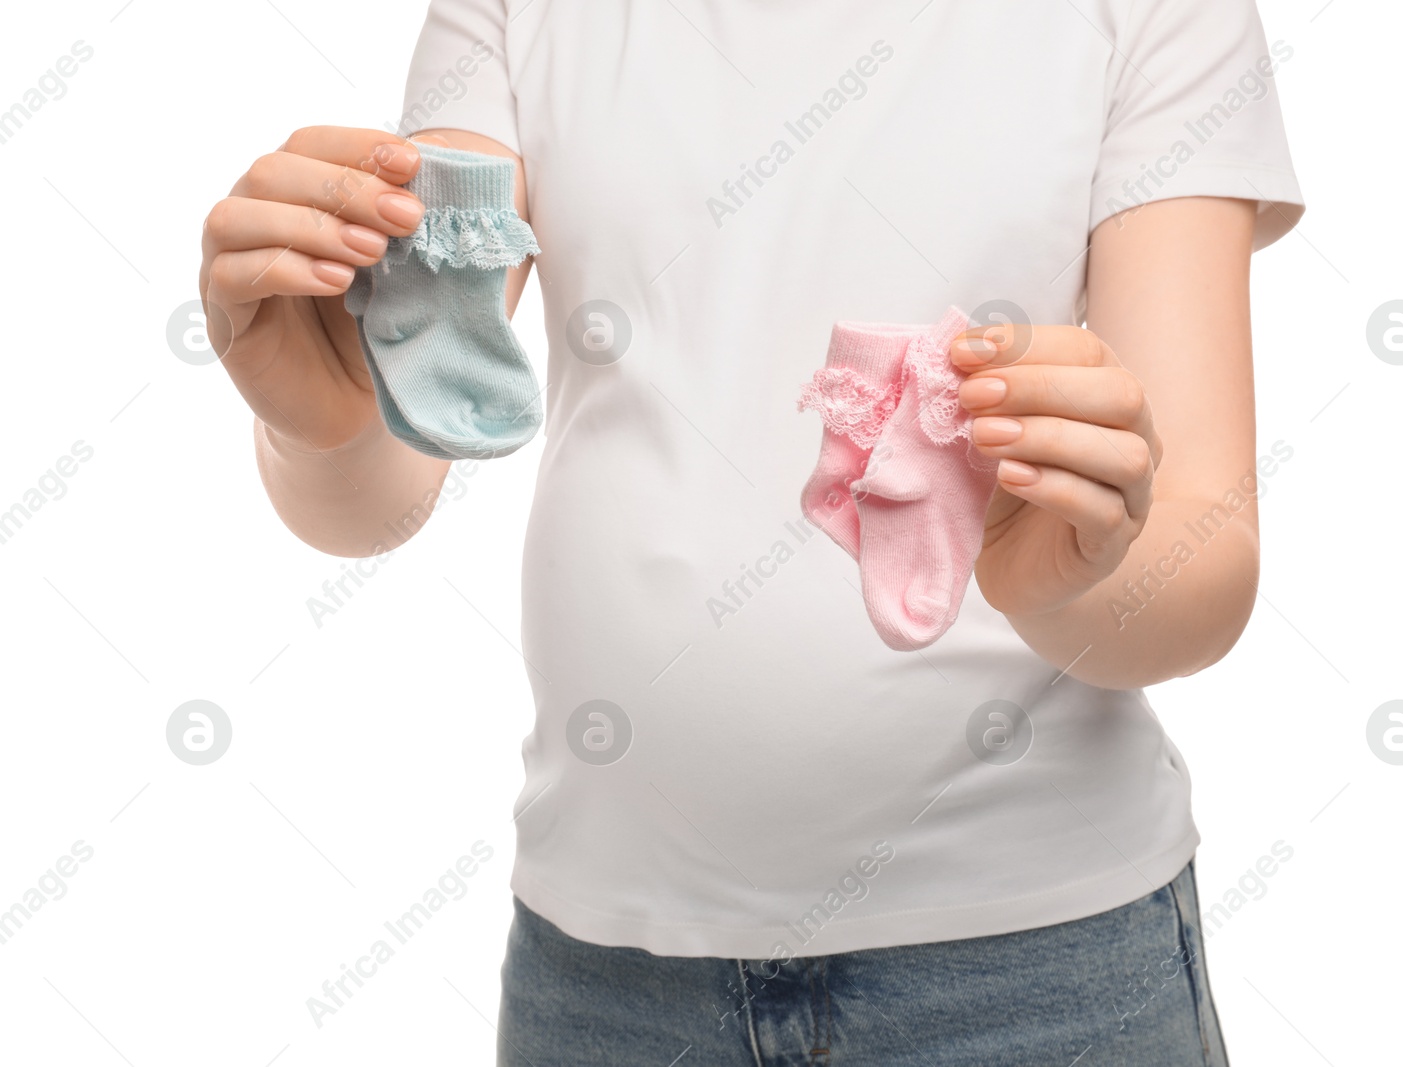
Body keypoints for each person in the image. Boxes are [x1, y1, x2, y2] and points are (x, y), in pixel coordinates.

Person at [199, 0, 1303, 1062]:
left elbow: (1203, 562)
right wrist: (322, 424)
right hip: (609, 985)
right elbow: (391, 482)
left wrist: (1060, 578)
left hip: (1031, 975)